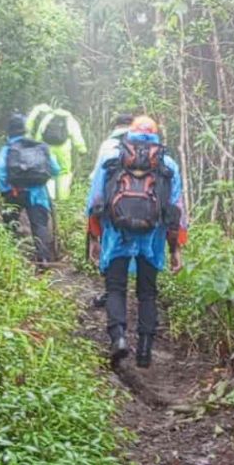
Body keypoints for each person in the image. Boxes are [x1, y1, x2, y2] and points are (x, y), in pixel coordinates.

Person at [85, 116, 188, 368]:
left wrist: (94, 239)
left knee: (116, 288)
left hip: (116, 234)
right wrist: (175, 250)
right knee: (147, 293)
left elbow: (95, 201)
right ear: (156, 134)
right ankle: (144, 349)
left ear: (129, 134)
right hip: (151, 239)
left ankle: (118, 338)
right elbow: (177, 210)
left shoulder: (112, 158)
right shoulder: (168, 164)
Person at [0, 113, 61, 265]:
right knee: (40, 225)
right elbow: (56, 169)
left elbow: (0, 170)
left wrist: (6, 190)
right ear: (26, 130)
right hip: (38, 193)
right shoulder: (40, 147)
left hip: (14, 191)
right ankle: (43, 259)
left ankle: (11, 257)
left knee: (10, 222)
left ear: (9, 131)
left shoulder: (7, 149)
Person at [89, 113, 135, 309]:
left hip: (113, 209)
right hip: (144, 211)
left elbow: (97, 177)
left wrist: (93, 214)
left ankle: (112, 291)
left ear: (115, 126)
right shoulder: (147, 148)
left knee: (112, 248)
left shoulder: (108, 145)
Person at [27, 104, 87, 201]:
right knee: (63, 173)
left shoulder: (48, 117)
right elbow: (77, 136)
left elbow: (40, 134)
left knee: (49, 172)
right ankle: (63, 199)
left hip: (48, 149)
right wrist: (82, 149)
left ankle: (50, 198)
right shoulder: (70, 120)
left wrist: (38, 148)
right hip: (63, 151)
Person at [89, 112, 134, 182]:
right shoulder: (142, 145)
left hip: (113, 187)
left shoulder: (108, 144)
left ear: (117, 127)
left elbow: (98, 171)